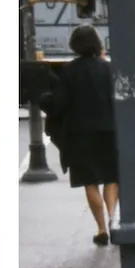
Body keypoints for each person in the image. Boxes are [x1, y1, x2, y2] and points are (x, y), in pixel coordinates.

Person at [50, 24, 119, 245]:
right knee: (111, 178)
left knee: (90, 182)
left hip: (80, 134)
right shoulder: (108, 69)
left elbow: (59, 103)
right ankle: (113, 221)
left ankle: (100, 229)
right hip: (108, 131)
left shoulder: (68, 71)